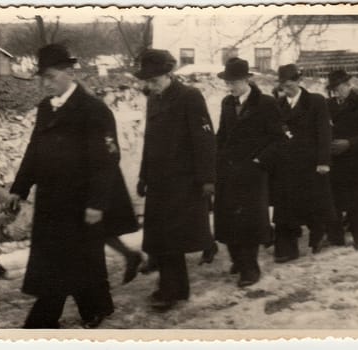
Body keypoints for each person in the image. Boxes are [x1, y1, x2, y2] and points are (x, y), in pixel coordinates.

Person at [7, 44, 138, 328]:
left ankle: (42, 322)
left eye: (50, 76)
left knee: (64, 260)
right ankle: (97, 308)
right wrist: (20, 188)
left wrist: (97, 203)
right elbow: (34, 150)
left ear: (69, 73)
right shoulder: (46, 108)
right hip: (51, 200)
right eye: (41, 77)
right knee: (76, 259)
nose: (44, 83)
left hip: (80, 201)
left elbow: (107, 159)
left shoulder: (93, 109)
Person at [135, 49, 217, 311]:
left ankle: (172, 291)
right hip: (159, 181)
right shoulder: (154, 99)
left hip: (183, 180)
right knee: (162, 238)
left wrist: (207, 179)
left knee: (172, 239)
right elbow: (150, 141)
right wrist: (143, 175)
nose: (150, 85)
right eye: (147, 81)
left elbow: (204, 140)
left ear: (168, 74)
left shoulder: (189, 96)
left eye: (154, 79)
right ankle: (175, 288)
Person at [214, 57, 285, 287]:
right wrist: (215, 160)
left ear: (246, 80)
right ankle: (238, 260)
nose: (230, 86)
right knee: (228, 219)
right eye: (227, 82)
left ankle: (250, 269)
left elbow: (278, 139)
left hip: (253, 173)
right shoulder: (227, 103)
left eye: (234, 81)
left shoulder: (265, 103)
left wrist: (258, 160)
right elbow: (222, 135)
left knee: (249, 222)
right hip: (229, 170)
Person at [272, 64, 335, 261]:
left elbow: (324, 132)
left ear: (299, 82)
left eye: (290, 85)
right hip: (287, 164)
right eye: (283, 86)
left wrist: (323, 161)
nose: (287, 90)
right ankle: (287, 249)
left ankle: (318, 236)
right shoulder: (279, 105)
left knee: (314, 204)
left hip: (310, 163)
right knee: (287, 206)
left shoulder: (315, 101)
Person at [95, 87, 143, 284]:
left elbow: (110, 150)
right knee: (100, 230)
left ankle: (97, 282)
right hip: (95, 181)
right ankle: (130, 255)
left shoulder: (99, 113)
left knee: (98, 229)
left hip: (104, 180)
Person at [326, 70, 358, 250]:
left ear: (348, 85)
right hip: (335, 158)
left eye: (339, 87)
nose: (336, 92)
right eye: (333, 88)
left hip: (355, 159)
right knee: (335, 199)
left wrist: (349, 143)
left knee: (357, 201)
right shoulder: (328, 104)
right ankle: (335, 236)